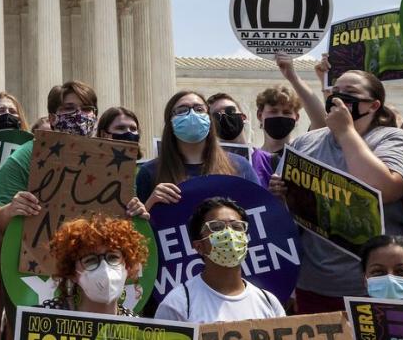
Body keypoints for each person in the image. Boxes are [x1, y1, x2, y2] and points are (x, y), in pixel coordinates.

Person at [268, 70, 403, 314]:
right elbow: (291, 214)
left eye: (350, 93)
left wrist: (346, 132)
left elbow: (386, 190)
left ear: (373, 105)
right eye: (335, 91)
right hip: (315, 285)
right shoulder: (304, 143)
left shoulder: (394, 139)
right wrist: (280, 193)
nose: (338, 97)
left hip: (378, 286)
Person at [0, 81, 149, 233]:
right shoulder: (27, 155)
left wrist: (135, 211)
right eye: (69, 108)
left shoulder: (112, 161)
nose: (79, 114)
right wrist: (10, 210)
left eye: (86, 109)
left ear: (95, 116)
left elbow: (124, 219)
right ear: (52, 118)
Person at [154, 198, 284, 322]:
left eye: (237, 227)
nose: (230, 234)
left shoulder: (269, 303)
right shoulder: (178, 305)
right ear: (199, 246)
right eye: (216, 227)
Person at [139, 91, 259, 206]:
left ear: (209, 119)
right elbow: (133, 224)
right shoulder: (149, 172)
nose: (192, 114)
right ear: (170, 122)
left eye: (199, 109)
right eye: (182, 110)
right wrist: (150, 204)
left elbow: (261, 210)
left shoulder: (239, 165)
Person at [44, 216, 149, 316]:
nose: (105, 268)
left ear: (127, 267)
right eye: (91, 260)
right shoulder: (45, 317)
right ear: (72, 273)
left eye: (113, 257)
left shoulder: (135, 328)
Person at [251, 85, 305, 186]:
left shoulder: (302, 153)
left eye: (286, 112)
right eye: (273, 111)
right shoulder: (252, 158)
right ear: (259, 115)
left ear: (296, 117)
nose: (280, 116)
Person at [359, 235, 403, 301]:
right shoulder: (350, 311)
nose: (390, 279)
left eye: (402, 271)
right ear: (365, 280)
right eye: (378, 272)